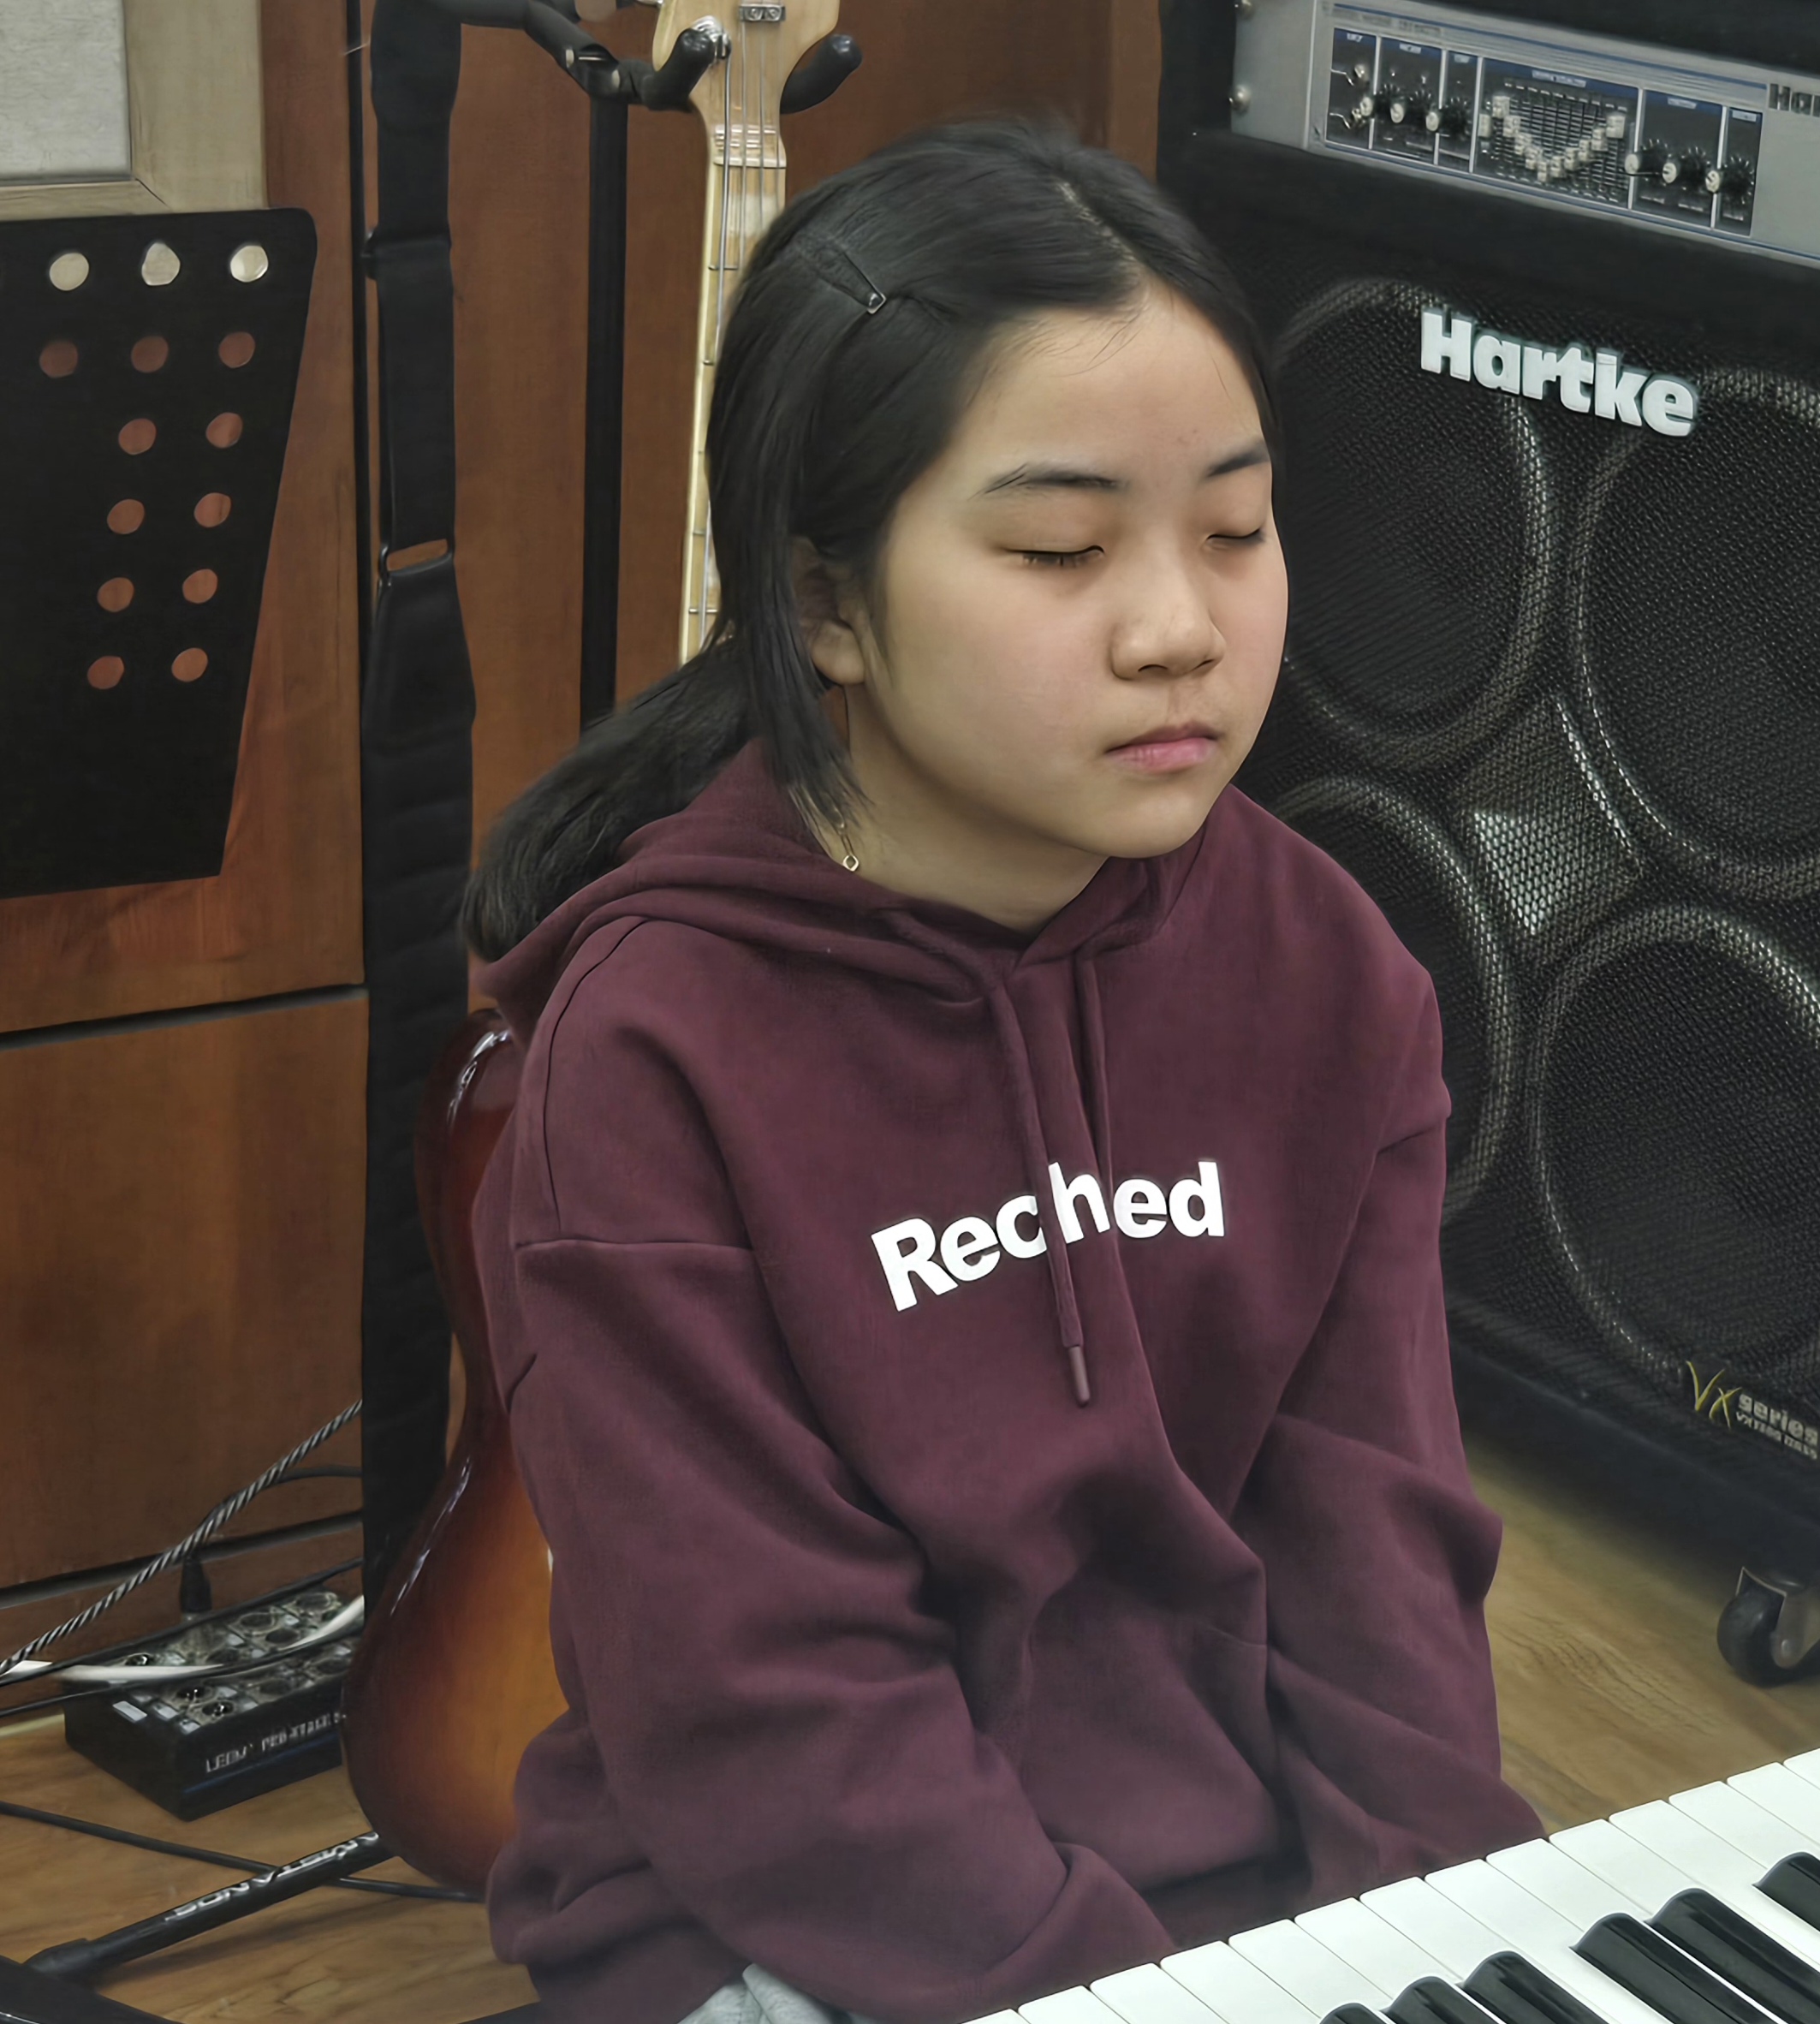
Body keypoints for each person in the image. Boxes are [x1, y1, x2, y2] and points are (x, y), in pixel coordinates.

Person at [462, 120, 1539, 2024]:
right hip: (793, 1920)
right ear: (824, 604)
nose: (1180, 631)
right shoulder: (649, 1055)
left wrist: (1441, 1947)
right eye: (1061, 550)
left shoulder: (1325, 965)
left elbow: (1373, 1548)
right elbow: (769, 1713)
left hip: (1236, 1901)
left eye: (1235, 530)